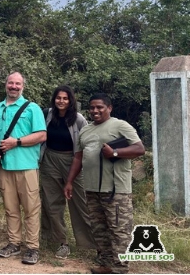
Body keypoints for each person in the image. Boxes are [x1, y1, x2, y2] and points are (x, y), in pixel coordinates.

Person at [64, 93, 144, 274]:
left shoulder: (120, 125)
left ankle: (120, 267)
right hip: (92, 188)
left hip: (116, 189)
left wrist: (115, 152)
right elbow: (78, 157)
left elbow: (139, 149)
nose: (95, 111)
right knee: (100, 228)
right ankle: (106, 264)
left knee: (119, 229)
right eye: (92, 107)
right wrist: (69, 181)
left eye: (99, 107)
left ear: (109, 108)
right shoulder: (86, 130)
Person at [0, 72, 47, 265]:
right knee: (10, 208)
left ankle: (32, 247)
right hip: (5, 166)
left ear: (23, 86)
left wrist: (18, 142)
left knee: (31, 209)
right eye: (11, 83)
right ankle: (14, 243)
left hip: (27, 166)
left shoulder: (32, 108)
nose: (14, 86)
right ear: (6, 84)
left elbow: (41, 135)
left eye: (18, 83)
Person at [40, 85, 96, 259]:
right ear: (54, 99)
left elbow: (87, 139)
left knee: (80, 202)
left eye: (65, 98)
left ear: (71, 100)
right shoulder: (48, 114)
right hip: (49, 159)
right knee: (51, 202)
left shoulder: (78, 119)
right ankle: (60, 242)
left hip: (73, 161)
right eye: (58, 98)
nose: (61, 101)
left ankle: (92, 244)